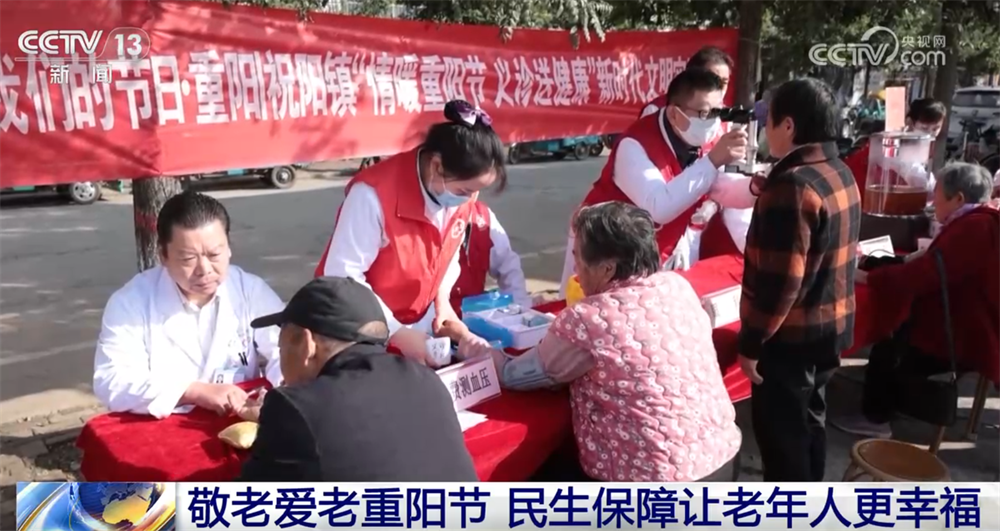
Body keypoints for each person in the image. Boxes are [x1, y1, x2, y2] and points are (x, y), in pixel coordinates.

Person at [446, 202, 742, 482]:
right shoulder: (677, 287)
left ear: (607, 269)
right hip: (722, 458)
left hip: (650, 481)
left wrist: (467, 340)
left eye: (578, 258)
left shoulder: (589, 318)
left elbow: (514, 374)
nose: (575, 270)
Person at [315, 100, 505, 366]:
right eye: (464, 190)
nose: (470, 199)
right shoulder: (372, 196)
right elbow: (343, 277)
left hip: (415, 323)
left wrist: (442, 300)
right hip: (355, 330)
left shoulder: (459, 195)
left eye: (476, 191)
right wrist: (396, 332)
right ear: (437, 166)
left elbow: (447, 253)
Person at [738, 78, 862, 481]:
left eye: (769, 121)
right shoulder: (838, 170)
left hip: (790, 341)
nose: (765, 130)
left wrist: (752, 342)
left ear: (788, 125)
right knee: (810, 424)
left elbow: (781, 283)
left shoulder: (793, 186)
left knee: (784, 442)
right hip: (829, 331)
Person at [239, 276, 479, 481]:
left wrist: (279, 422)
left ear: (306, 343)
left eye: (281, 347)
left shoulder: (294, 408)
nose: (281, 356)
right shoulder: (426, 381)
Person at [834, 163, 1000, 437]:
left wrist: (867, 278)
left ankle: (876, 418)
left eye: (938, 195)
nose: (933, 204)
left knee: (890, 341)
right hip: (970, 319)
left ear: (958, 198)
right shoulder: (981, 219)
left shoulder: (975, 228)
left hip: (968, 332)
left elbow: (921, 277)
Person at [559, 68, 754, 294]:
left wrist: (754, 189)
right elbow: (658, 207)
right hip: (601, 250)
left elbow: (719, 186)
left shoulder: (709, 139)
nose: (711, 122)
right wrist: (712, 161)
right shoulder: (635, 144)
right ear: (673, 114)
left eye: (718, 112)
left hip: (649, 250)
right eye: (703, 114)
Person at [93, 191, 284, 419]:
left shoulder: (249, 290)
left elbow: (287, 349)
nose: (204, 269)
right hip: (163, 425)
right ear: (163, 255)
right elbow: (111, 380)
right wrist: (192, 391)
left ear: (228, 247)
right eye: (188, 259)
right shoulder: (131, 303)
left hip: (240, 419)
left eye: (214, 254)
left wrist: (285, 391)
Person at [844, 97, 946, 197]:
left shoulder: (921, 145)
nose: (930, 134)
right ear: (910, 123)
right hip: (856, 190)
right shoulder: (891, 140)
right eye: (924, 128)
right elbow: (913, 173)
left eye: (935, 129)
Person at [449, 199, 532, 313]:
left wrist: (519, 306)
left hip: (473, 311)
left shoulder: (482, 217)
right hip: (431, 314)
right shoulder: (427, 217)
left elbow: (507, 264)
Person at [640, 46, 734, 118]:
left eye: (724, 82)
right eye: (712, 81)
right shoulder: (655, 110)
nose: (719, 87)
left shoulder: (726, 116)